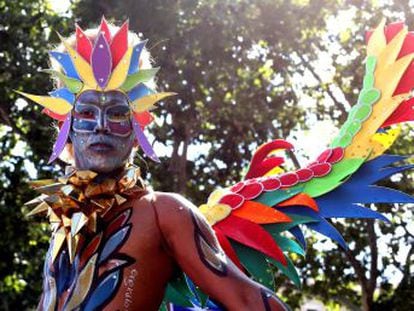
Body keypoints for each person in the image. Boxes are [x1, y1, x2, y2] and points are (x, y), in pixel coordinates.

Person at [21, 18, 289, 311]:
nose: (101, 126)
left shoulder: (163, 213)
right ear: (67, 127)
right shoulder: (64, 232)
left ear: (138, 131)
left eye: (118, 113)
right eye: (86, 112)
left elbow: (249, 301)